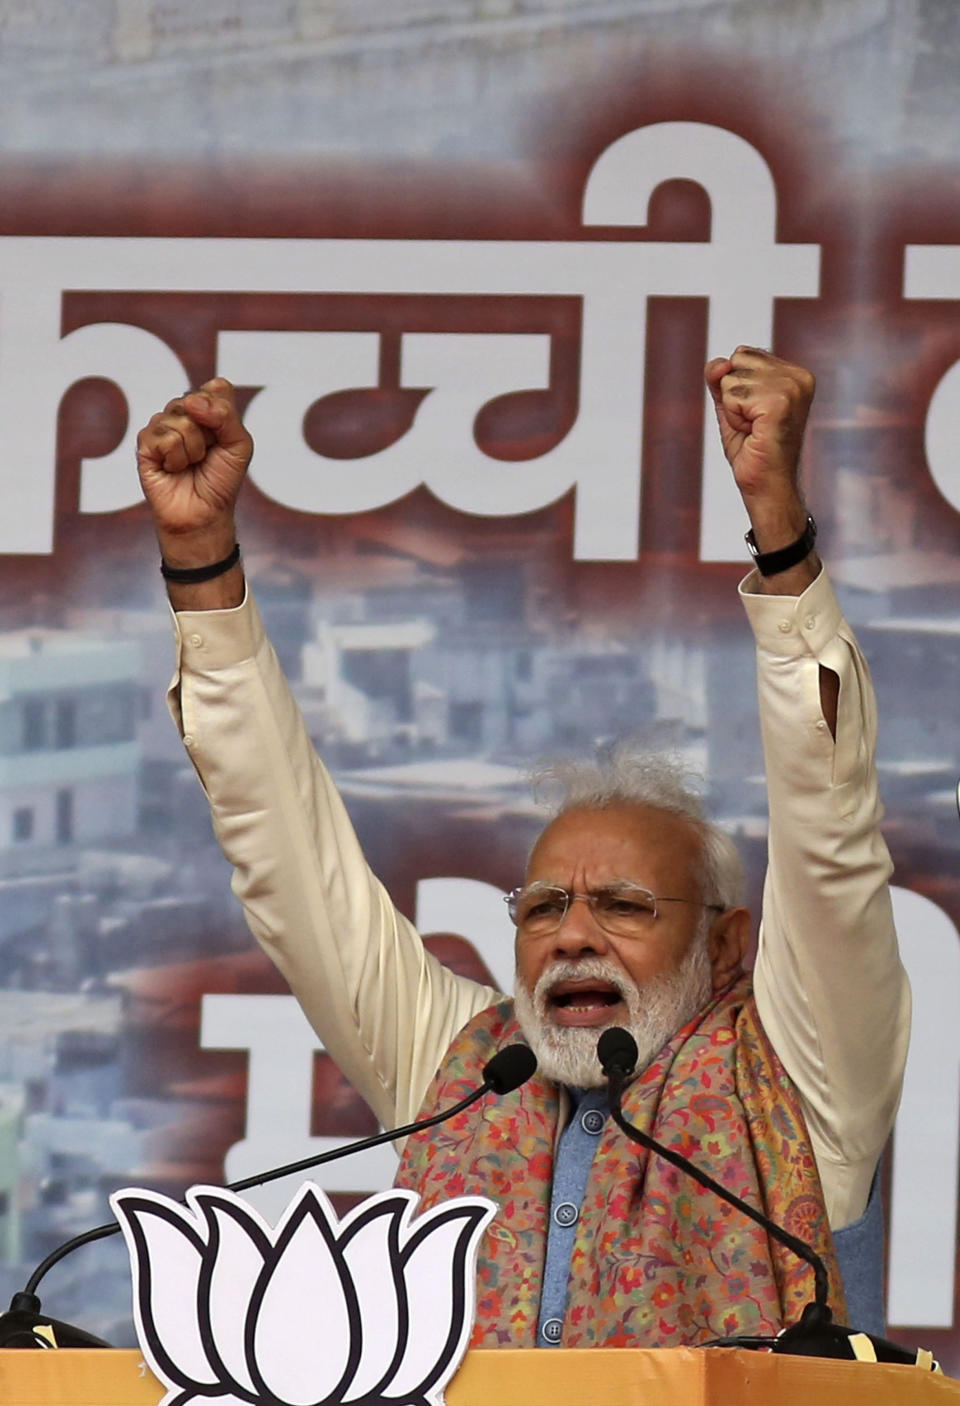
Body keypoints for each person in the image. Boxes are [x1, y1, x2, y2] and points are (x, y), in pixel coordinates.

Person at [136, 347, 909, 1350]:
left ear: (727, 946)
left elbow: (829, 828)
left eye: (623, 905)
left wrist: (782, 539)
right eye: (542, 907)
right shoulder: (462, 1069)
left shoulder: (805, 1076)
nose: (571, 934)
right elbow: (290, 862)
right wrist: (200, 560)